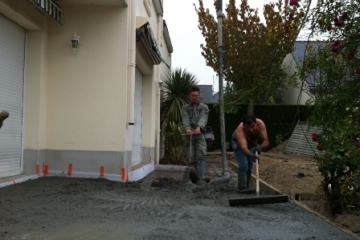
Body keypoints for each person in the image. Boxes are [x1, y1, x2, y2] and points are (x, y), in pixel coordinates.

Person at [231, 114, 269, 192]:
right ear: (244, 125)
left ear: (255, 123)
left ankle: (246, 187)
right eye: (248, 128)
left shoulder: (260, 124)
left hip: (251, 144)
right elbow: (244, 147)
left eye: (252, 126)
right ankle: (242, 188)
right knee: (243, 165)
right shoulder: (240, 130)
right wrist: (250, 155)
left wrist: (260, 147)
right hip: (238, 144)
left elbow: (266, 141)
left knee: (249, 165)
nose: (251, 130)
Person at [181, 86, 209, 180]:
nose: (194, 97)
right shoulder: (185, 108)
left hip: (200, 134)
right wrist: (187, 128)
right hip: (189, 135)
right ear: (190, 95)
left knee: (201, 155)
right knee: (190, 156)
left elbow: (203, 118)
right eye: (193, 95)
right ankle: (193, 179)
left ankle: (200, 178)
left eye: (196, 95)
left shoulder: (204, 107)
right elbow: (185, 119)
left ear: (199, 95)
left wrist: (199, 127)